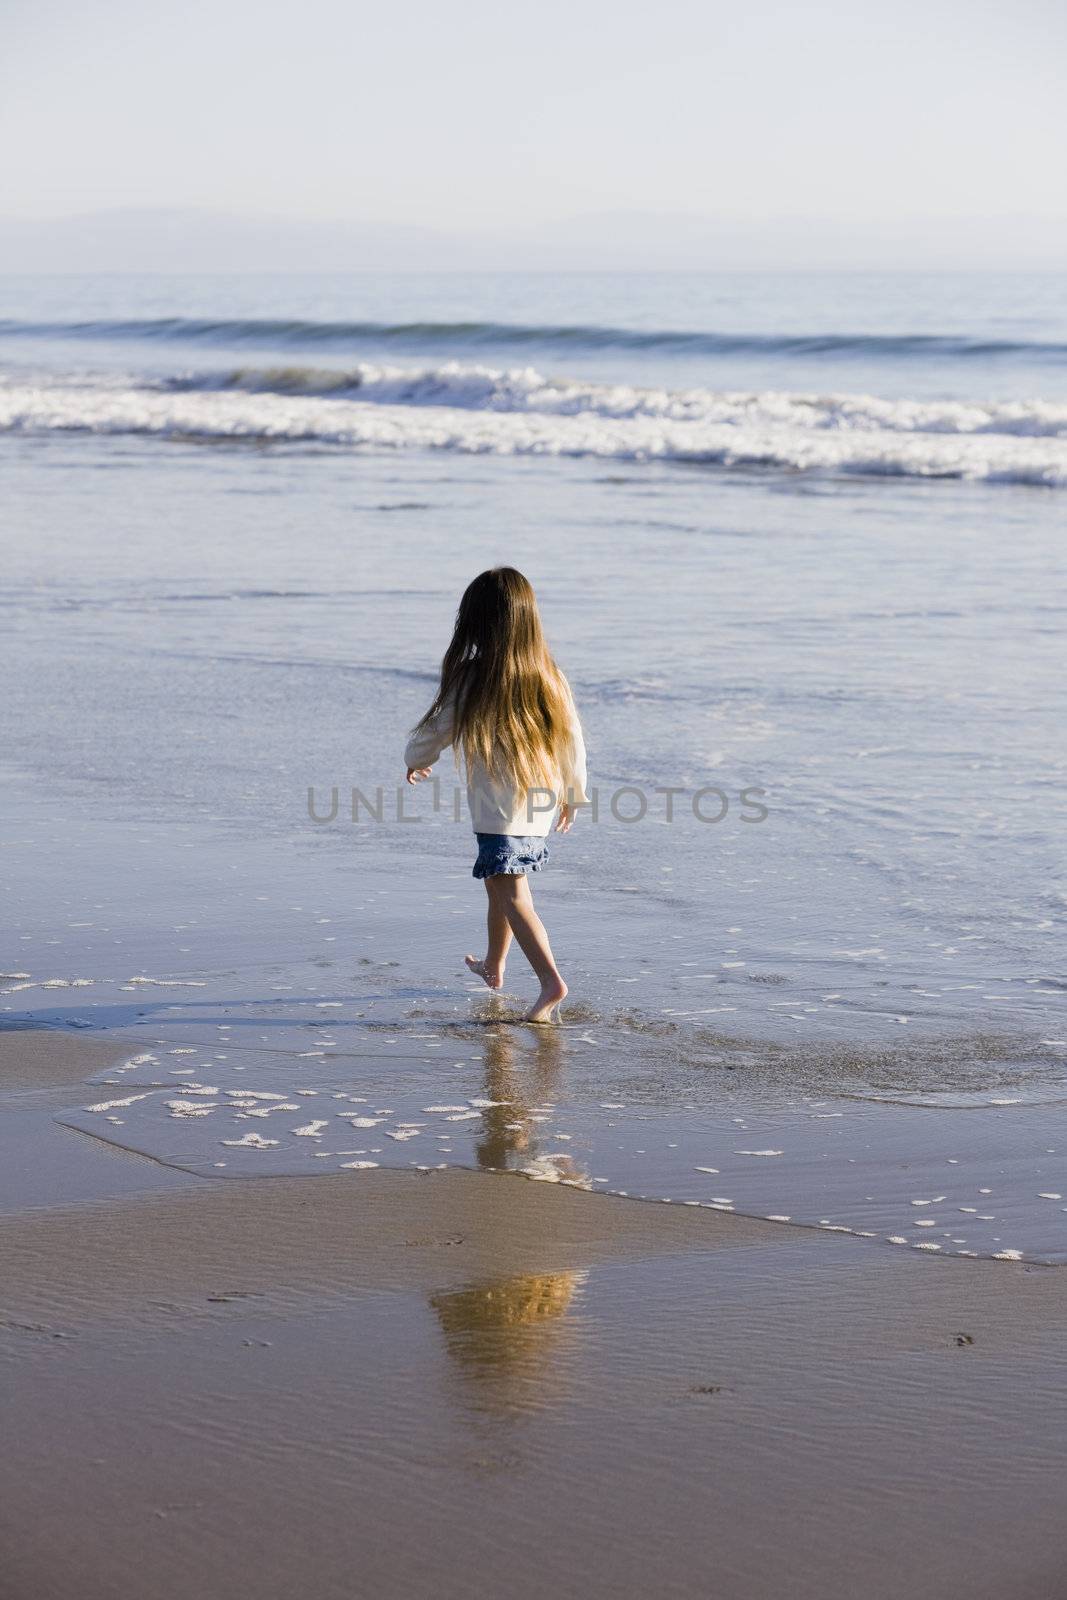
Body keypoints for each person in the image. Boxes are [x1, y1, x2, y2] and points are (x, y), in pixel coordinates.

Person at [404, 567, 587, 1023]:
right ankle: (495, 963)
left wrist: (415, 757)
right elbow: (573, 739)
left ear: (475, 622)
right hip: (538, 802)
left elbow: (436, 730)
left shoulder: (473, 677)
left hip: (499, 810)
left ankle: (551, 982)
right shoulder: (549, 674)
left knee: (511, 892)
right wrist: (573, 792)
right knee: (499, 885)